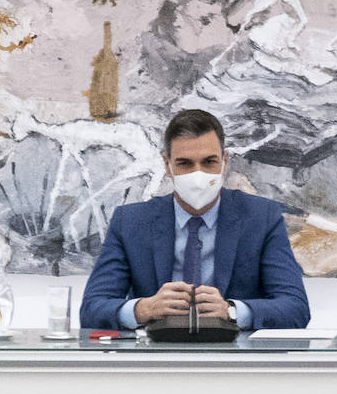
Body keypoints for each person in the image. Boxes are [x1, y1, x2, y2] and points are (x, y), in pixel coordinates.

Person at [80, 109, 310, 330]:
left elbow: (295, 308)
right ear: (167, 165)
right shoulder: (130, 221)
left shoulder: (262, 218)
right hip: (155, 360)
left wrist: (231, 311)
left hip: (237, 363)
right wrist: (143, 308)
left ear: (225, 161)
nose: (197, 174)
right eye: (185, 163)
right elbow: (92, 309)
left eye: (209, 162)